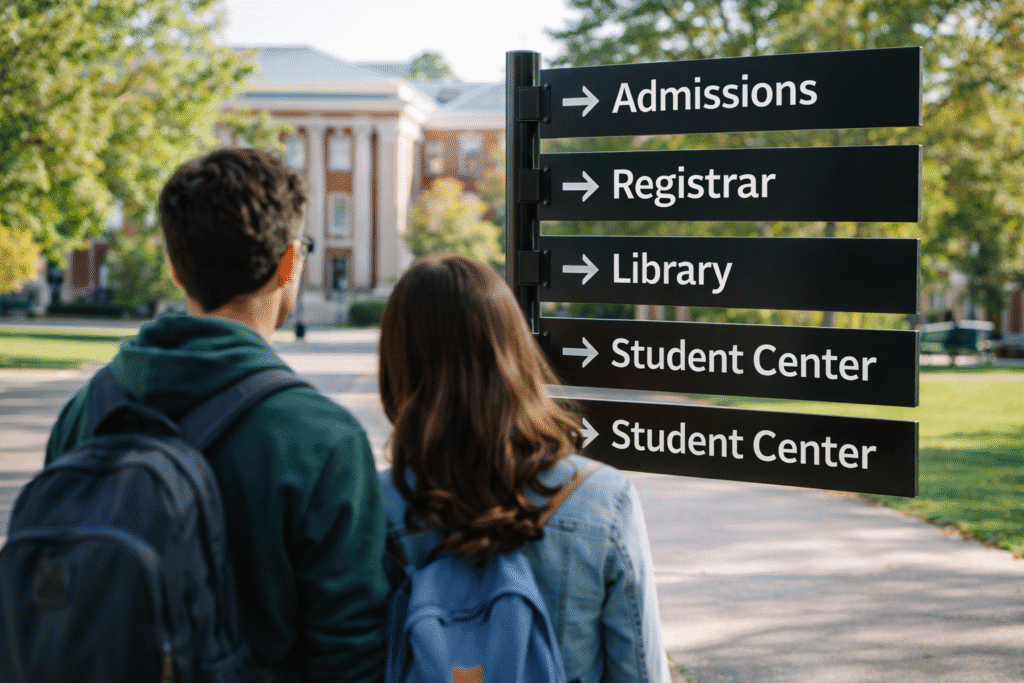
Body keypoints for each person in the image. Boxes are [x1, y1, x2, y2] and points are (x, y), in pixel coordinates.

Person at [45, 148, 389, 682]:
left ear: (174, 269)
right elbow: (350, 654)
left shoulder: (85, 411)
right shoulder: (324, 440)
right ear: (289, 263)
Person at [377, 254, 671, 683]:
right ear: (515, 355)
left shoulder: (370, 507)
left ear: (398, 368)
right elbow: (640, 674)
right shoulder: (603, 501)